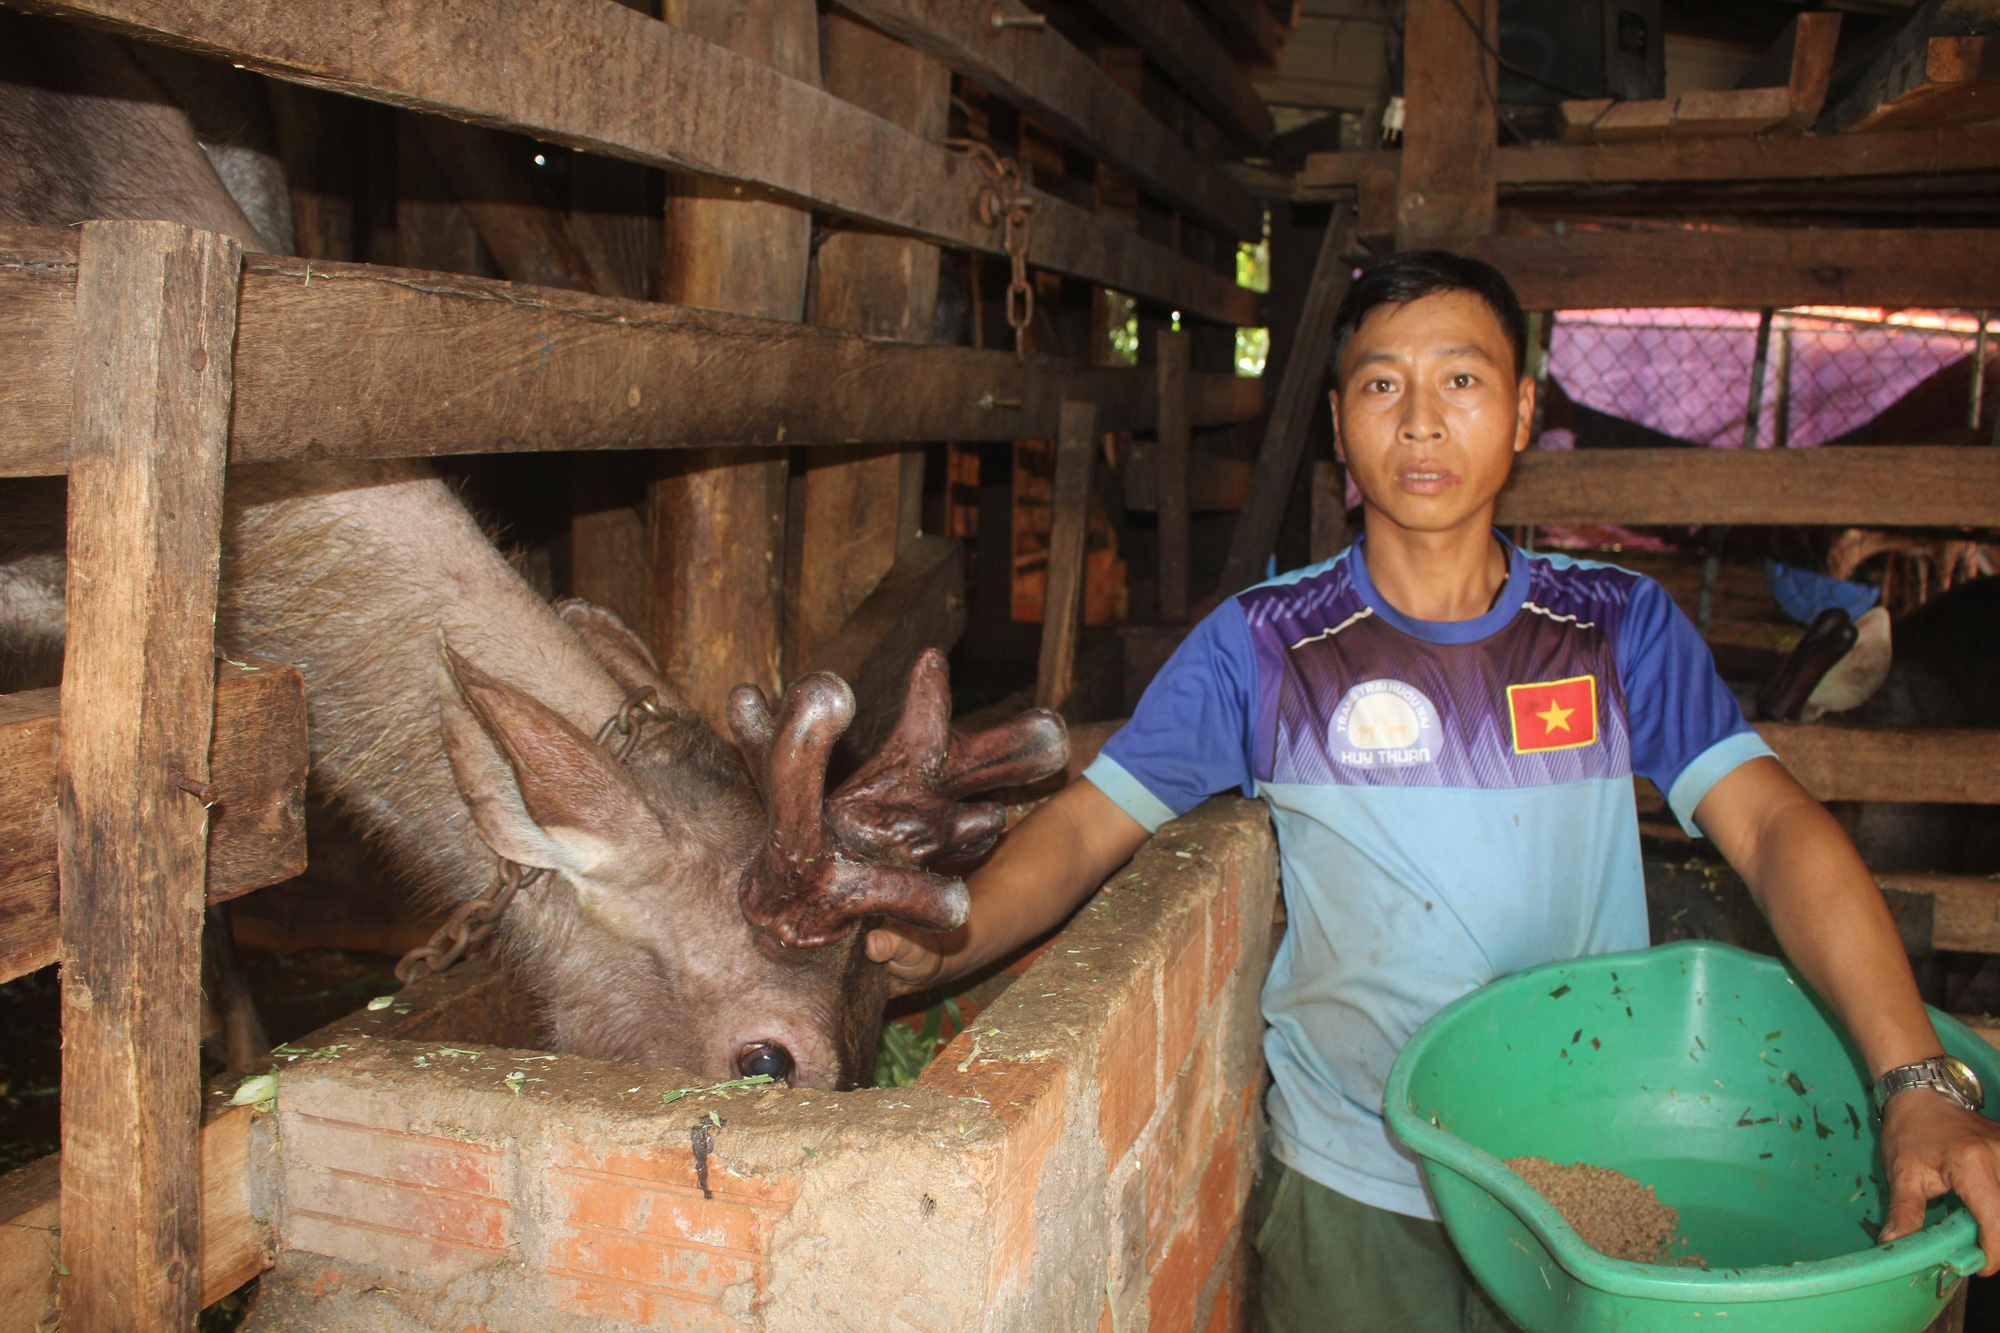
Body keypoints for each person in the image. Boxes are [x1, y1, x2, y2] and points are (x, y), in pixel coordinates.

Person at [866, 251, 2000, 1330]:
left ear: (1517, 413)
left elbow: (1770, 827)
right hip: (1351, 1184)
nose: (1419, 420)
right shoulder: (1264, 647)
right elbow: (1078, 828)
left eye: (1460, 379)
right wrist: (946, 943)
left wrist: (1914, 1077)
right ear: (1335, 427)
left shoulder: (1613, 627)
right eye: (1380, 384)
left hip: (1578, 1179)